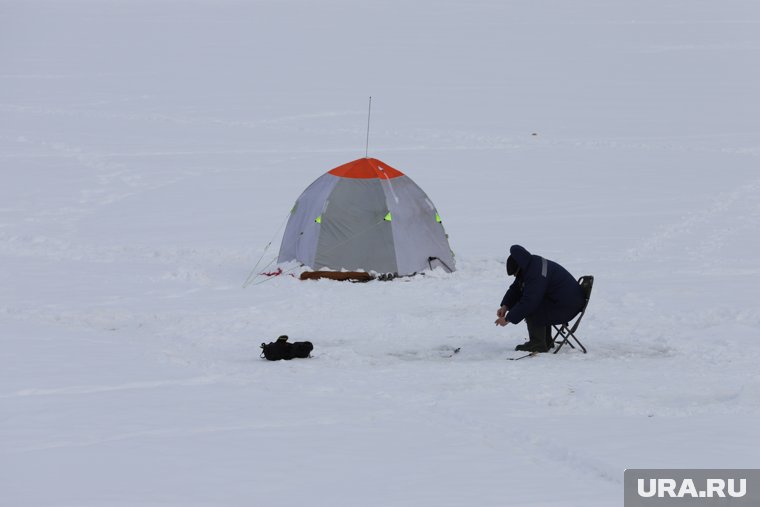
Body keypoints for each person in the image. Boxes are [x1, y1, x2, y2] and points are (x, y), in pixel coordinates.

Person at [494, 245, 585, 353]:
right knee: (536, 303)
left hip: (567, 307)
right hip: (566, 302)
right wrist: (505, 305)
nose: (515, 276)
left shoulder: (535, 273)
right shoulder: (531, 264)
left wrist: (508, 319)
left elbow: (529, 302)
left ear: (519, 267)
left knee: (531, 306)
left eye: (515, 274)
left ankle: (538, 344)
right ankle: (546, 341)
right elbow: (516, 288)